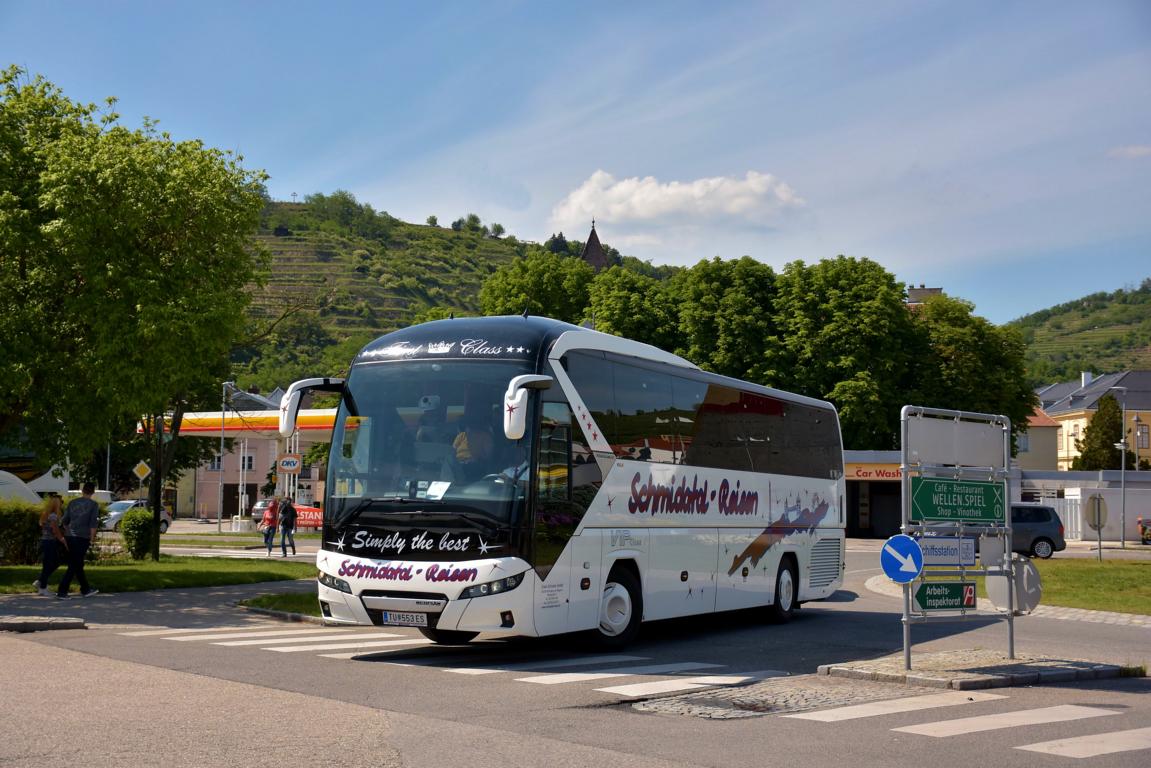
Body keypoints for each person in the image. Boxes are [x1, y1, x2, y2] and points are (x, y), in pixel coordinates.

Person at [57, 482, 99, 599]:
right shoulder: (93, 505)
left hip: (70, 536)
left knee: (78, 563)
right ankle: (62, 591)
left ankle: (85, 589)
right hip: (82, 537)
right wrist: (92, 538)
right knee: (75, 564)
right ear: (93, 492)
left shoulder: (72, 503)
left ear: (82, 491)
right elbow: (93, 524)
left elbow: (64, 521)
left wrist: (68, 531)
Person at [33, 494, 67, 597]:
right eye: (61, 502)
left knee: (51, 563)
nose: (62, 504)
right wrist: (63, 539)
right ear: (57, 503)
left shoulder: (46, 513)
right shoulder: (53, 515)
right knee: (52, 563)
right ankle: (42, 588)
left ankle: (40, 582)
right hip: (50, 542)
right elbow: (54, 529)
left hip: (46, 541)